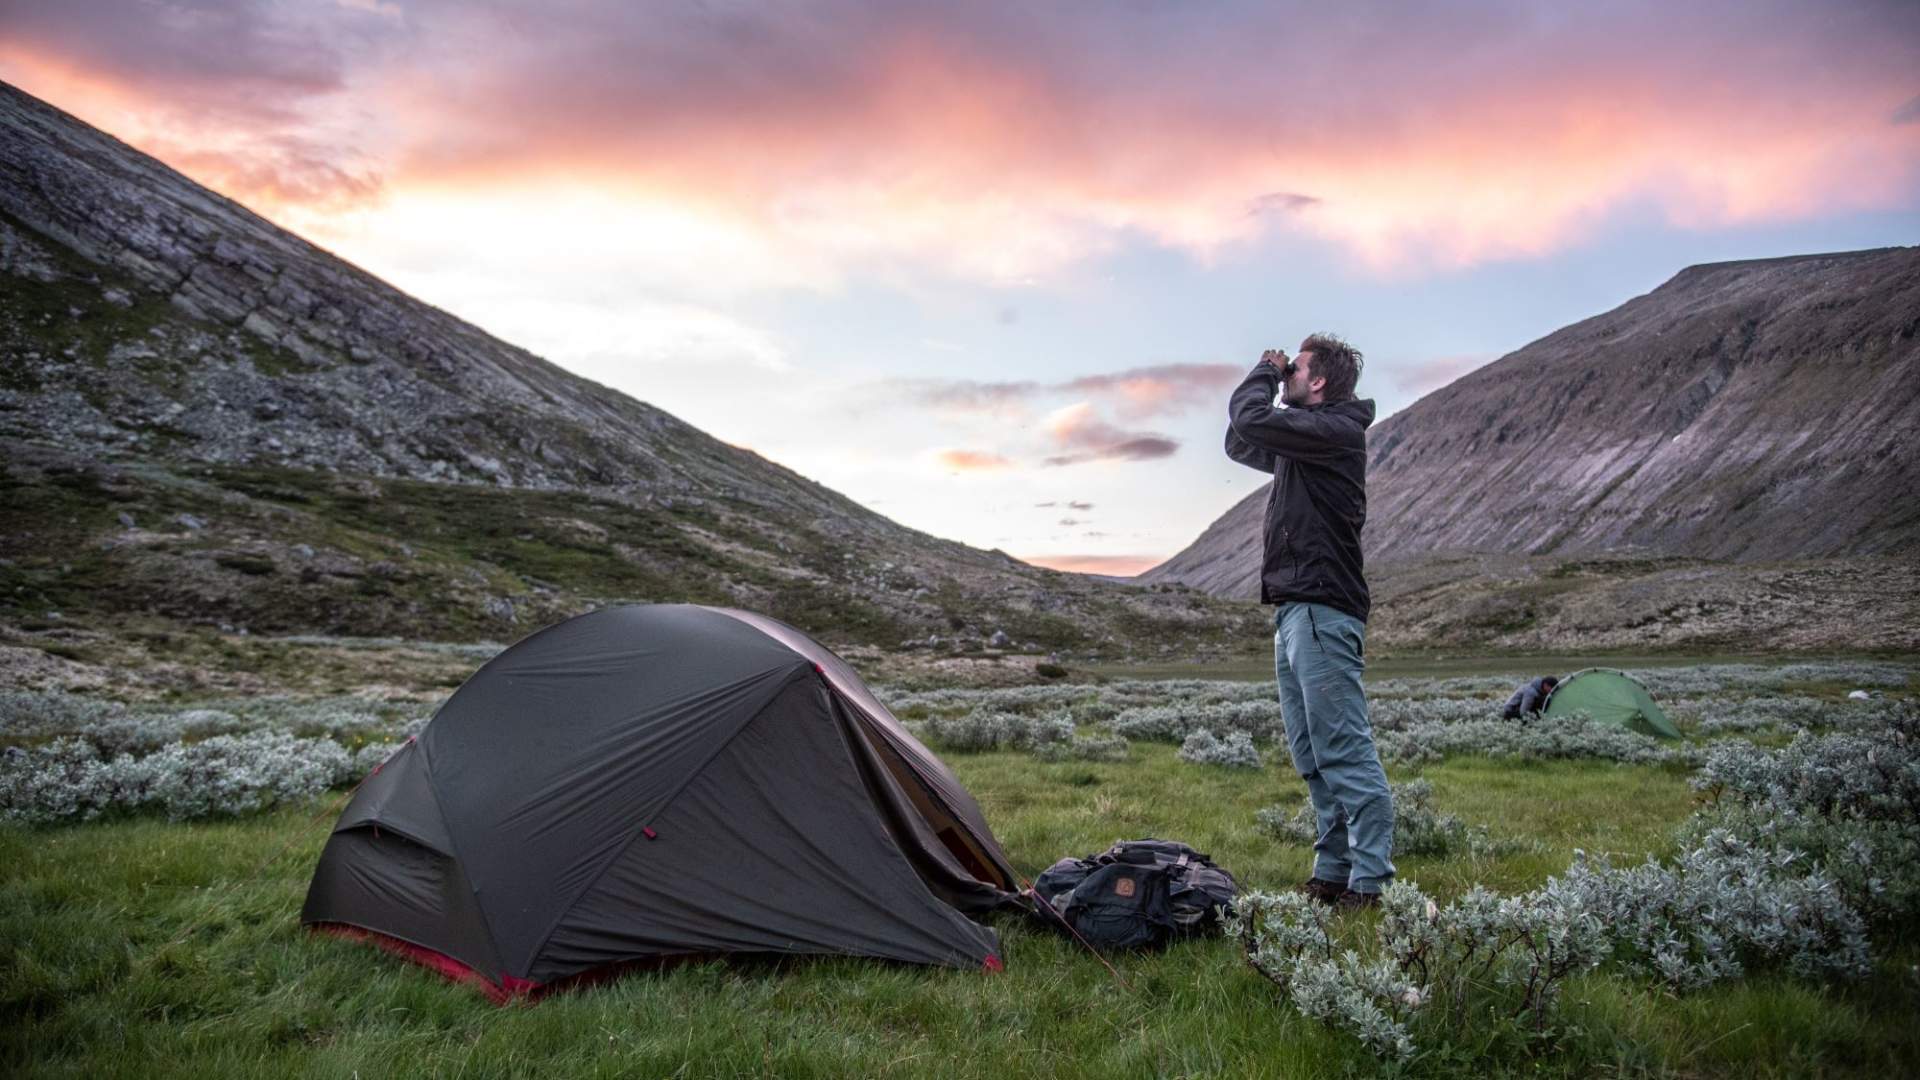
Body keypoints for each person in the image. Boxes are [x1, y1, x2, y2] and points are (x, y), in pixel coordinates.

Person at [1225, 333, 1392, 910]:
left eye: (1294, 368)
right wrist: (1272, 382)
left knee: (1342, 748)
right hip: (1297, 608)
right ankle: (1332, 871)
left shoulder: (1335, 432)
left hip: (1322, 608)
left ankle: (1370, 884)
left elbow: (1250, 415)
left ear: (1317, 381)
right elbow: (1240, 438)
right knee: (1312, 753)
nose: (1286, 373)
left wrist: (1263, 372)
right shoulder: (1307, 442)